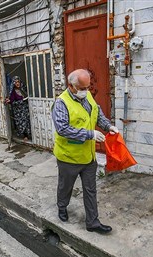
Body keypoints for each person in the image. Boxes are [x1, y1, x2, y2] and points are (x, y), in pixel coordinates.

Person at [51, 69, 119, 234]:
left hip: (88, 157)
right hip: (69, 157)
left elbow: (97, 114)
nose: (86, 91)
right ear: (71, 86)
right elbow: (63, 129)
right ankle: (62, 207)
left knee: (90, 190)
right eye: (82, 88)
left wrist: (108, 126)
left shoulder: (87, 96)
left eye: (87, 87)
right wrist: (91, 134)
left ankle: (92, 222)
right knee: (65, 187)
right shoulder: (61, 103)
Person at [5, 76, 32, 141]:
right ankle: (25, 135)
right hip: (19, 111)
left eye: (18, 82)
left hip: (25, 109)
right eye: (16, 82)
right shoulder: (13, 92)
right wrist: (21, 101)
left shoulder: (23, 89)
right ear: (13, 83)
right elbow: (12, 102)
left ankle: (29, 134)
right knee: (21, 123)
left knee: (27, 122)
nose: (17, 83)